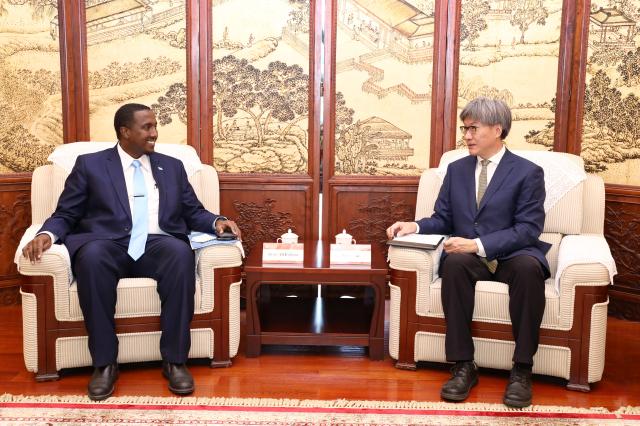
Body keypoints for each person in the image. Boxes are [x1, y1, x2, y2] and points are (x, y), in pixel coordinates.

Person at [22, 103, 242, 401]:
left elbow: (192, 211)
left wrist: (217, 222)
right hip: (107, 243)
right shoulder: (90, 165)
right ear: (125, 131)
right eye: (147, 127)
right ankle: (104, 364)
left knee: (180, 254)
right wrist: (46, 234)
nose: (154, 133)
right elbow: (67, 213)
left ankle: (175, 361)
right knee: (92, 258)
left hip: (156, 242)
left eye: (155, 126)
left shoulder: (171, 166)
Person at [386, 97, 549, 408]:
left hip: (512, 254)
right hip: (470, 258)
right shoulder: (457, 169)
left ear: (497, 129)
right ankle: (463, 365)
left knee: (529, 269)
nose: (467, 136)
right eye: (465, 129)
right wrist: (415, 226)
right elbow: (443, 218)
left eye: (473, 128)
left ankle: (522, 369)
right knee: (455, 264)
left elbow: (529, 229)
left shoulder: (528, 172)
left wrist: (477, 245)